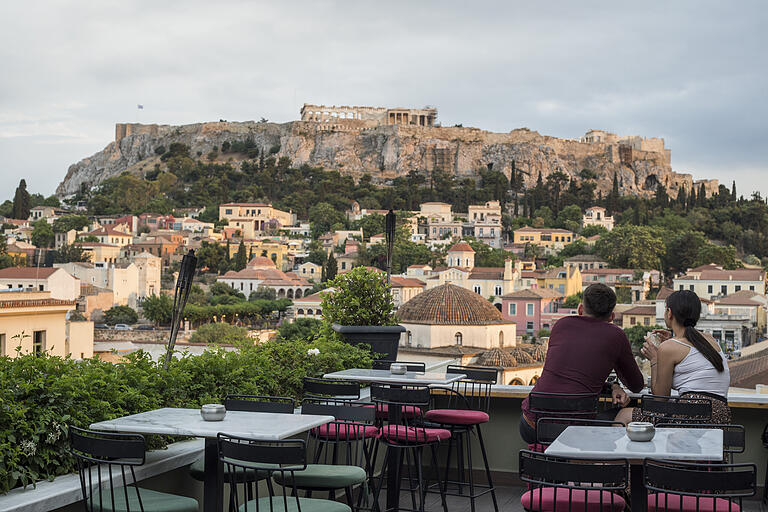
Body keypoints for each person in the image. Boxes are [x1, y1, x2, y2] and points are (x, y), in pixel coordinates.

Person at [519, 283, 644, 444]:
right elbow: (636, 385)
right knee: (623, 415)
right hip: (576, 433)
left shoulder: (561, 325)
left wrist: (611, 386)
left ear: (580, 309)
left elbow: (570, 374)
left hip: (532, 426)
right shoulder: (616, 335)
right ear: (612, 317)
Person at [615, 290, 731, 425]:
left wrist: (654, 360)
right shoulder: (710, 339)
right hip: (720, 417)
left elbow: (660, 398)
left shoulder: (669, 348)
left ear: (669, 313)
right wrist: (672, 339)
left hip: (692, 415)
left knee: (624, 415)